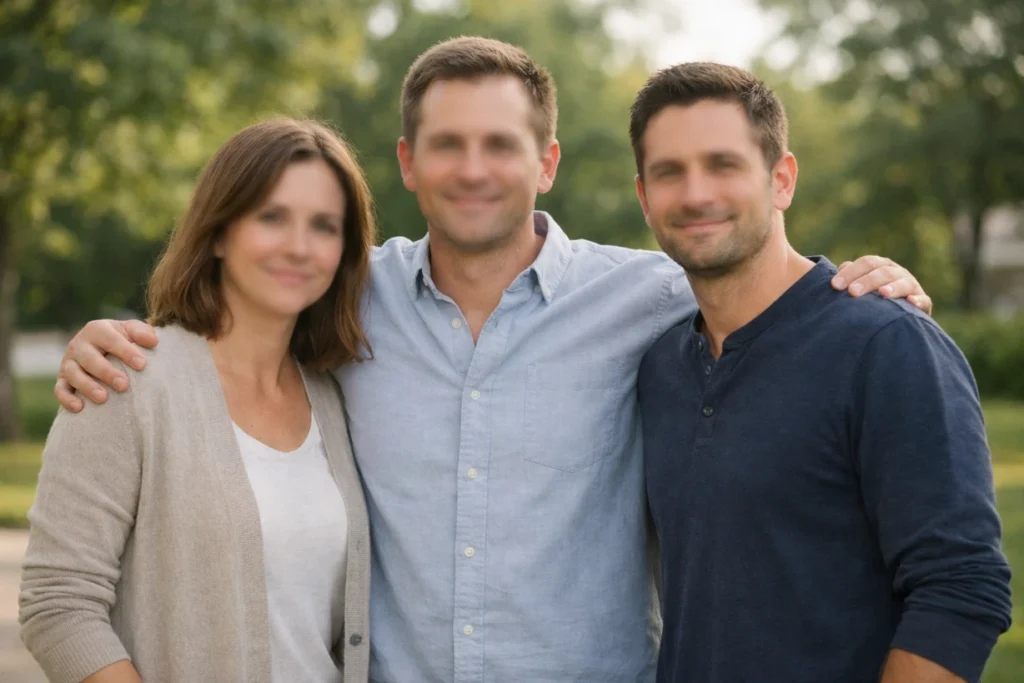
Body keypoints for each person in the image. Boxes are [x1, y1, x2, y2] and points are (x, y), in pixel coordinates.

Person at [51, 38, 935, 682]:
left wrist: (872, 279)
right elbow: (244, 293)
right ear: (407, 161)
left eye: (501, 144)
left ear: (546, 161)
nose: (474, 169)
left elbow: (755, 272)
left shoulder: (649, 297)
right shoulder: (349, 300)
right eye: (447, 144)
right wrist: (110, 340)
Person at [632, 63, 1013, 683]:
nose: (696, 193)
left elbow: (962, 590)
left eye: (723, 164)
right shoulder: (658, 367)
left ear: (781, 179)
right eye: (669, 172)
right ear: (645, 197)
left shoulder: (886, 344)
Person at [19, 118, 374, 683]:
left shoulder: (335, 396)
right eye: (272, 217)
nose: (299, 247)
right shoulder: (126, 380)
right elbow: (58, 605)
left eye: (325, 226)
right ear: (217, 233)